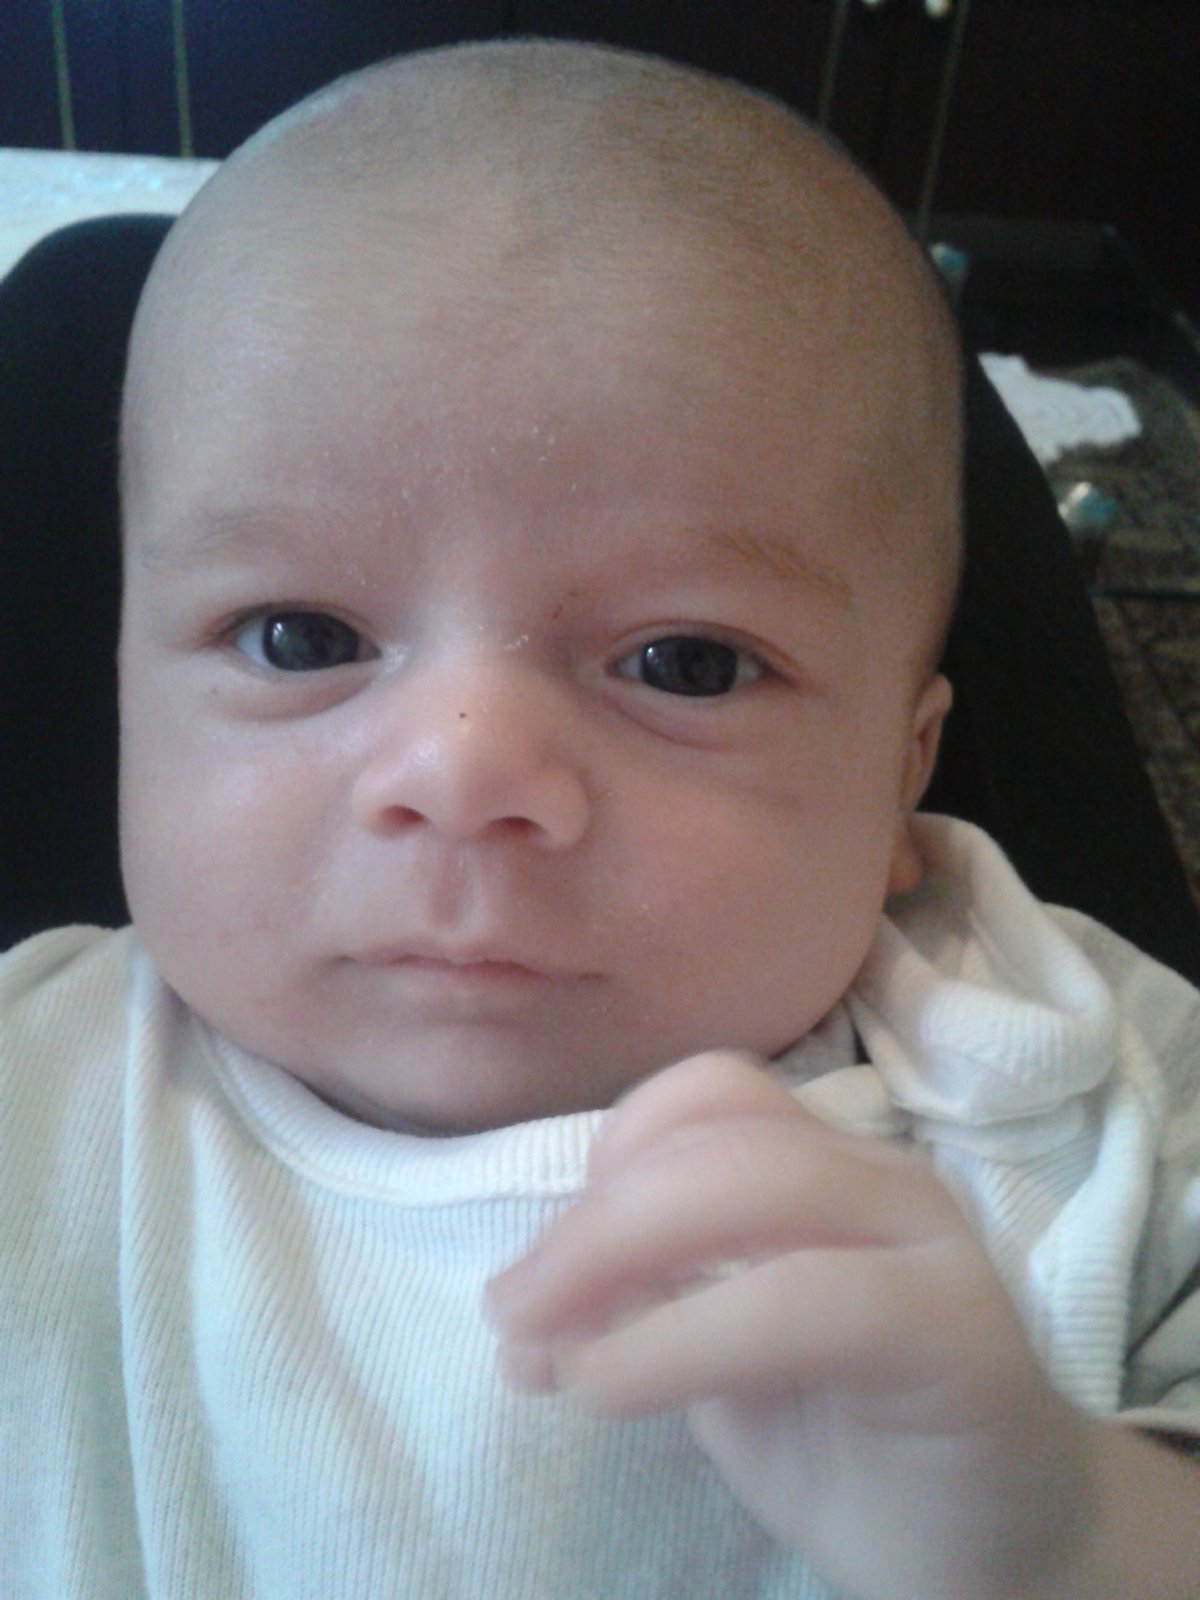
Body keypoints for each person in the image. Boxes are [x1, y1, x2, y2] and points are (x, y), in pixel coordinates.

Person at [1, 38, 1197, 1600]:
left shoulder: (1093, 1086)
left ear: (904, 772)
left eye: (684, 663)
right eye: (301, 637)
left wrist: (1080, 1529)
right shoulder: (34, 1102)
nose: (462, 773)